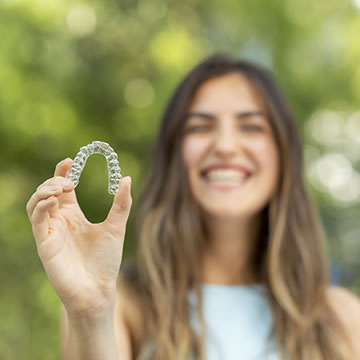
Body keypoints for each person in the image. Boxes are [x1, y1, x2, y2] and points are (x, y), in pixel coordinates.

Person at [26, 54, 360, 360]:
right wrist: (89, 313)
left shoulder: (343, 318)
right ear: (175, 156)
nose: (226, 146)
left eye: (251, 126)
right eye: (200, 126)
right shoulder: (121, 304)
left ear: (284, 155)